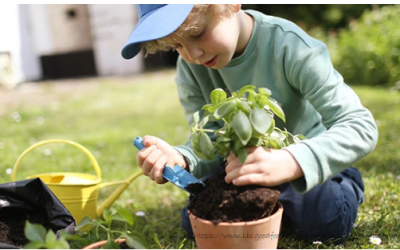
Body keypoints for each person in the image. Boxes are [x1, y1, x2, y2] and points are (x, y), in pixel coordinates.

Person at [122, 4, 378, 244]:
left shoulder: (291, 47)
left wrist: (291, 160)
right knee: (196, 222)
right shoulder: (190, 67)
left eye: (198, 33)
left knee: (324, 219)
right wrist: (182, 157)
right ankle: (275, 211)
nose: (192, 54)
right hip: (242, 167)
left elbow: (360, 126)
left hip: (304, 165)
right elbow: (209, 142)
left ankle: (343, 185)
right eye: (177, 44)